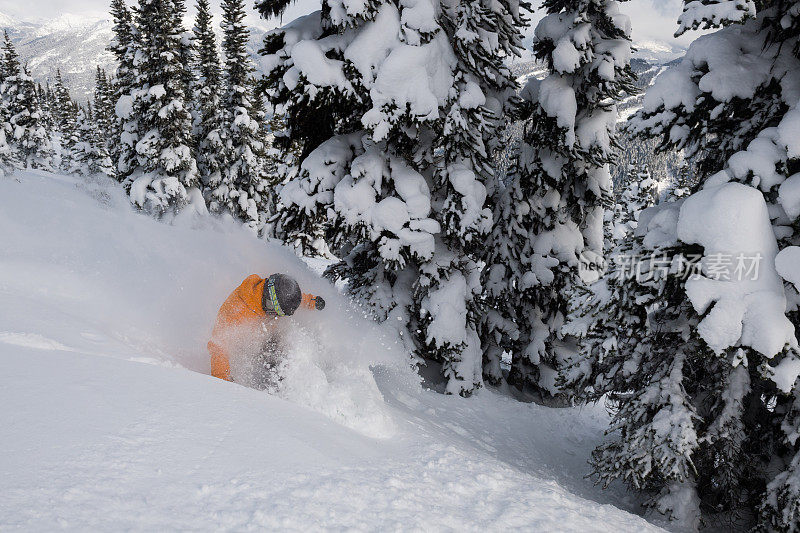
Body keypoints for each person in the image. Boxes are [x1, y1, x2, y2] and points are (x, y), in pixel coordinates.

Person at [208, 273, 325, 383]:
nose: (278, 316)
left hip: (265, 334)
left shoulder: (271, 292)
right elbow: (218, 346)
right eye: (278, 312)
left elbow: (289, 297)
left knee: (282, 348)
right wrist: (222, 379)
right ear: (270, 302)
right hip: (246, 347)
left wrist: (311, 301)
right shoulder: (236, 312)